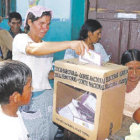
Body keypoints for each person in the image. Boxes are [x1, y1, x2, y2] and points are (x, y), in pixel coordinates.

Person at [12, 5, 88, 140]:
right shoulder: (21, 40)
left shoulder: (46, 47)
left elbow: (46, 73)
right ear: (29, 22)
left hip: (46, 98)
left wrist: (69, 74)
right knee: (31, 134)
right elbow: (33, 49)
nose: (45, 28)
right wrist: (70, 44)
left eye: (48, 24)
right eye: (41, 23)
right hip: (29, 100)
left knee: (48, 133)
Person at [109, 49, 140, 140]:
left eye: (139, 68)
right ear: (122, 67)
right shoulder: (117, 81)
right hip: (113, 118)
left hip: (133, 124)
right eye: (130, 68)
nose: (134, 73)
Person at [0, 60, 32, 140]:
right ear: (16, 97)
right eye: (29, 87)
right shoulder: (10, 135)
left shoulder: (12, 110)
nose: (32, 89)